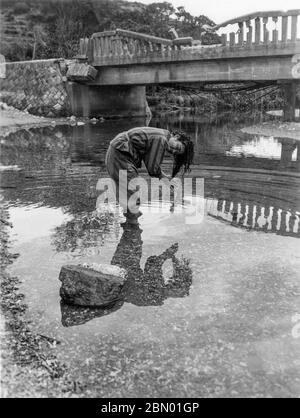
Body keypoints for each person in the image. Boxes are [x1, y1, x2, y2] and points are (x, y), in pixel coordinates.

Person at [105, 127, 194, 223]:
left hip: (116, 152)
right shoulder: (161, 139)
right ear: (176, 136)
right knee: (133, 199)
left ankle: (130, 228)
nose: (174, 151)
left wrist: (165, 178)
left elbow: (151, 164)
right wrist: (165, 179)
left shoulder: (159, 135)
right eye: (178, 147)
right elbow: (152, 169)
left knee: (127, 199)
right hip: (121, 155)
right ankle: (133, 229)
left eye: (176, 153)